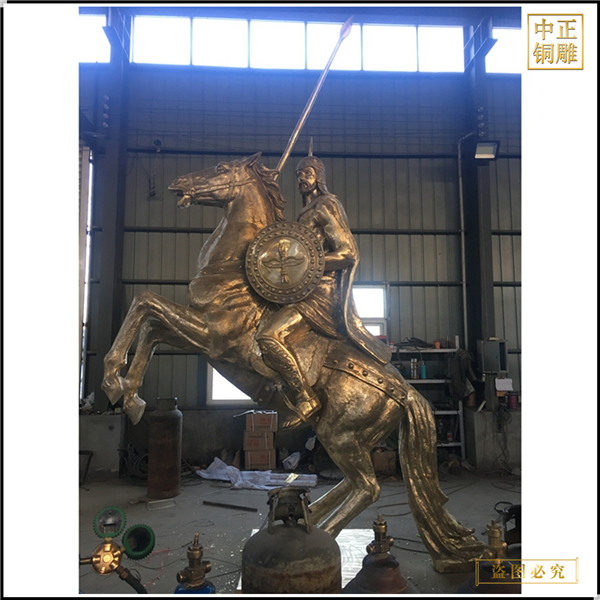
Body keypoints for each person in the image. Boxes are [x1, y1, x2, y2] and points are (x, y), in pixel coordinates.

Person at [257, 151, 391, 429]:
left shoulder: (326, 205)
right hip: (303, 290)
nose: (301, 179)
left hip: (320, 294)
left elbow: (348, 253)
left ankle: (305, 398)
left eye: (307, 173)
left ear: (319, 177)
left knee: (269, 335)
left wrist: (305, 264)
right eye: (298, 174)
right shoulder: (305, 212)